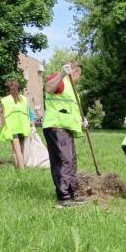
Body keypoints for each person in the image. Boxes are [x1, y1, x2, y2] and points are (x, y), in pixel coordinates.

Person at [43, 62, 87, 207]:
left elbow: (70, 110)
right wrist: (62, 74)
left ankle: (72, 192)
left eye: (77, 73)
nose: (76, 76)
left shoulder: (72, 89)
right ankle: (64, 196)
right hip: (56, 127)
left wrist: (81, 121)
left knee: (72, 161)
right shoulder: (59, 79)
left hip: (66, 128)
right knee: (64, 161)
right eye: (75, 72)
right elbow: (48, 88)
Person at [0, 79, 36, 170]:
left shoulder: (5, 100)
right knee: (20, 148)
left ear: (8, 89)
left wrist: (4, 127)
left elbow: (3, 116)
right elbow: (29, 112)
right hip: (23, 127)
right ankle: (18, 166)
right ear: (18, 88)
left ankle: (21, 170)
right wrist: (32, 125)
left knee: (16, 150)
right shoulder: (25, 99)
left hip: (12, 128)